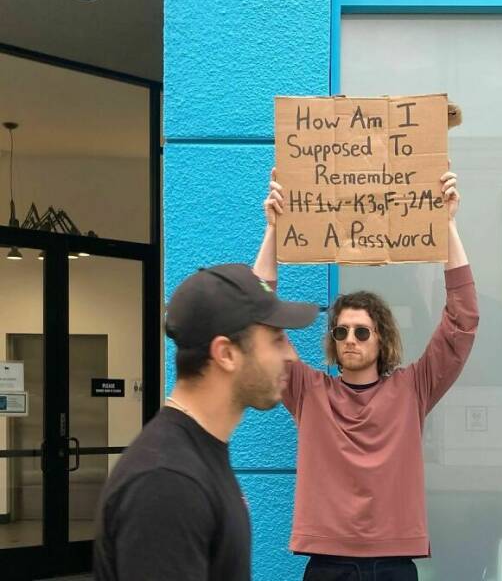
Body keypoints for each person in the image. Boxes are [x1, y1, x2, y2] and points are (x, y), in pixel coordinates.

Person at [253, 167, 479, 580]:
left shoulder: (413, 388)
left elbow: (462, 323)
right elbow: (256, 323)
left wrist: (447, 226)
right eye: (341, 331)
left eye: (362, 331)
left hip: (394, 561)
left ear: (381, 339)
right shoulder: (308, 390)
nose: (351, 339)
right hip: (327, 562)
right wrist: (272, 231)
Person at [93, 264, 319, 581]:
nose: (292, 356)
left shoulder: (196, 453)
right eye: (278, 339)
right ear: (226, 354)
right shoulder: (166, 483)